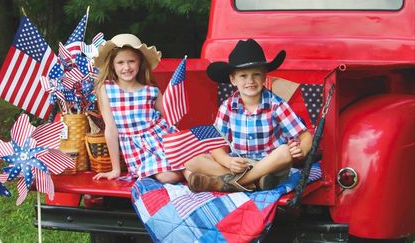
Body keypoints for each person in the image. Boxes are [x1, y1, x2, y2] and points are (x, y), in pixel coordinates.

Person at [185, 39, 313, 192]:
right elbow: (216, 145)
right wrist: (228, 161)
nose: (250, 81)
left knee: (284, 152)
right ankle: (254, 181)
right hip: (240, 164)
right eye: (243, 76)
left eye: (256, 74)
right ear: (233, 80)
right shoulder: (227, 107)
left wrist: (302, 150)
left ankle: (233, 183)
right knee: (190, 161)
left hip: (270, 164)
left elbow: (305, 136)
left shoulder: (276, 105)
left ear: (265, 76)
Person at [92, 33, 188, 184]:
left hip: (160, 137)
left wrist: (178, 142)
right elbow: (110, 129)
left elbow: (170, 119)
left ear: (140, 63)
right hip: (137, 148)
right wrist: (115, 169)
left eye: (131, 61)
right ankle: (190, 172)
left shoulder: (151, 90)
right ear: (112, 65)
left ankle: (196, 179)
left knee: (189, 162)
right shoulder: (106, 89)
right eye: (120, 62)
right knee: (168, 176)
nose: (127, 67)